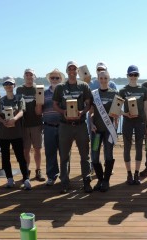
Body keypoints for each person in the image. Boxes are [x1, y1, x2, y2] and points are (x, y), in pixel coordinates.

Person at [53, 61, 93, 194]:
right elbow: (55, 104)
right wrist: (63, 112)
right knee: (64, 156)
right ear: (66, 71)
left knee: (85, 155)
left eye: (74, 69)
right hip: (65, 126)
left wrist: (83, 112)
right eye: (69, 69)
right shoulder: (60, 87)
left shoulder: (84, 86)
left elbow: (88, 104)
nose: (72, 71)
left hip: (81, 125)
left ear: (77, 71)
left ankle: (86, 181)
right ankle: (64, 182)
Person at [0, 76, 31, 190]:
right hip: (3, 133)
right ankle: (9, 179)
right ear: (4, 86)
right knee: (5, 158)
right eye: (6, 84)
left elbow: (21, 111)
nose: (8, 86)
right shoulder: (0, 100)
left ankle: (26, 179)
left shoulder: (19, 98)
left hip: (16, 133)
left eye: (10, 84)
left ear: (14, 85)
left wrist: (14, 119)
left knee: (20, 157)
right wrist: (2, 121)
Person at [119, 65, 147, 185]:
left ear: (138, 76)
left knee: (139, 147)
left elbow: (146, 109)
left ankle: (136, 173)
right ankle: (129, 174)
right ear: (127, 76)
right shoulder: (122, 91)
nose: (133, 77)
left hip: (140, 122)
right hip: (128, 122)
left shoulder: (143, 90)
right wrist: (125, 114)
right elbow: (116, 109)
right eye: (131, 75)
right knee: (127, 147)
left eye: (135, 75)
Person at [89, 70, 118, 192]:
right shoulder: (94, 94)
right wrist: (91, 124)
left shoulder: (115, 93)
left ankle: (106, 181)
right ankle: (100, 179)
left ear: (109, 79)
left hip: (108, 131)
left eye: (105, 78)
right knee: (95, 157)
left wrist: (116, 123)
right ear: (98, 79)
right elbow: (90, 113)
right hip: (97, 131)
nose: (103, 80)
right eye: (101, 78)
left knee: (108, 155)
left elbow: (116, 114)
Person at [16, 69, 44, 181]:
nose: (29, 77)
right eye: (26, 75)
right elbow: (17, 105)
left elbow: (40, 109)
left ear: (34, 77)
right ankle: (26, 171)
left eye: (31, 74)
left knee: (37, 149)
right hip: (23, 124)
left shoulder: (38, 89)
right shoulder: (19, 89)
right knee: (25, 150)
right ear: (24, 77)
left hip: (36, 124)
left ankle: (38, 170)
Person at [43, 68, 64, 186]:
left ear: (61, 79)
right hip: (48, 127)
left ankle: (64, 176)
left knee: (64, 153)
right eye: (52, 78)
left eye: (57, 78)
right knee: (50, 153)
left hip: (63, 127)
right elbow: (38, 111)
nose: (55, 80)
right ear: (49, 79)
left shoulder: (64, 93)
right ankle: (51, 176)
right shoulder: (44, 94)